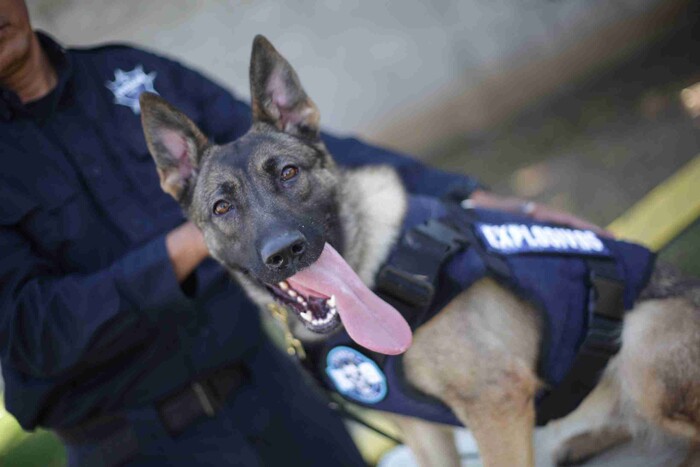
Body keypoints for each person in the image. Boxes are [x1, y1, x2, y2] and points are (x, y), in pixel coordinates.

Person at [0, 1, 607, 465]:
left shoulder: (130, 74)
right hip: (137, 442)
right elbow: (30, 332)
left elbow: (295, 149)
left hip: (273, 387)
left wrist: (472, 194)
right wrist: (193, 240)